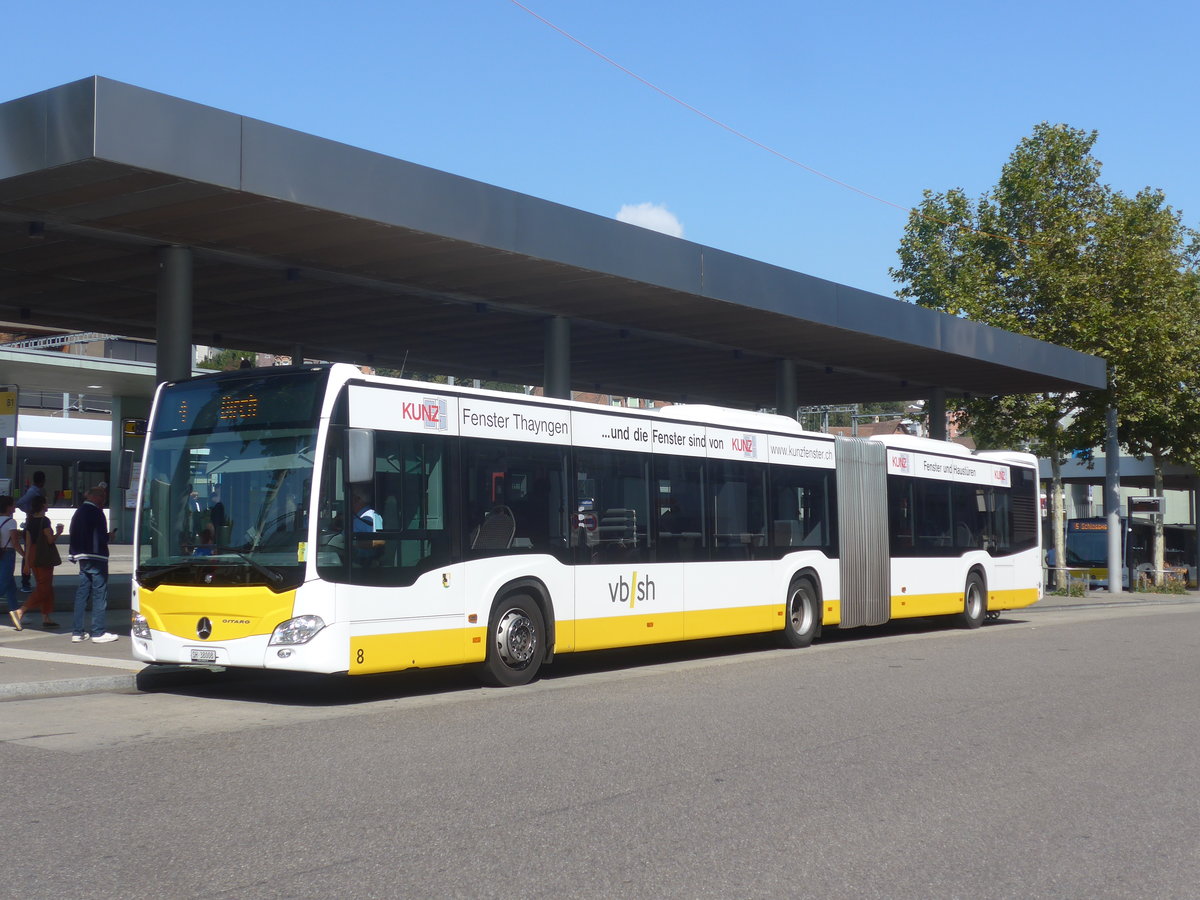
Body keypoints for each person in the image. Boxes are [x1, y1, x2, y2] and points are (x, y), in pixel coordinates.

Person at [68, 485, 119, 644]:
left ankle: (77, 631)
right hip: (97, 558)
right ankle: (98, 631)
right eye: (103, 499)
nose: (103, 502)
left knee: (82, 594)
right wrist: (109, 536)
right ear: (97, 498)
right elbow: (100, 537)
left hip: (82, 557)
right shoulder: (97, 513)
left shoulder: (78, 512)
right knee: (99, 593)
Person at [10, 495, 62, 630]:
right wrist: (59, 532)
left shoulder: (30, 521)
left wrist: (26, 563)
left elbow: (27, 544)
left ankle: (46, 617)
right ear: (42, 505)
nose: (47, 505)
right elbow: (50, 540)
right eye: (46, 502)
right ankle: (20, 611)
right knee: (44, 587)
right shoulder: (45, 521)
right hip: (43, 555)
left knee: (45, 586)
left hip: (32, 554)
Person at [14, 470, 46, 592]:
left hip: (32, 521)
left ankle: (29, 581)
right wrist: (30, 512)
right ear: (42, 481)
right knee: (31, 551)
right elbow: (20, 503)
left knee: (31, 551)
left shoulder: (34, 491)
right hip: (32, 522)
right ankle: (26, 582)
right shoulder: (33, 491)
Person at [0, 495, 24, 615]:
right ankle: (16, 613)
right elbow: (15, 543)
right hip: (7, 554)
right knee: (3, 584)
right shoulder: (11, 522)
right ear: (8, 507)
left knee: (11, 587)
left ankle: (15, 612)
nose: (15, 507)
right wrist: (25, 555)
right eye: (13, 505)